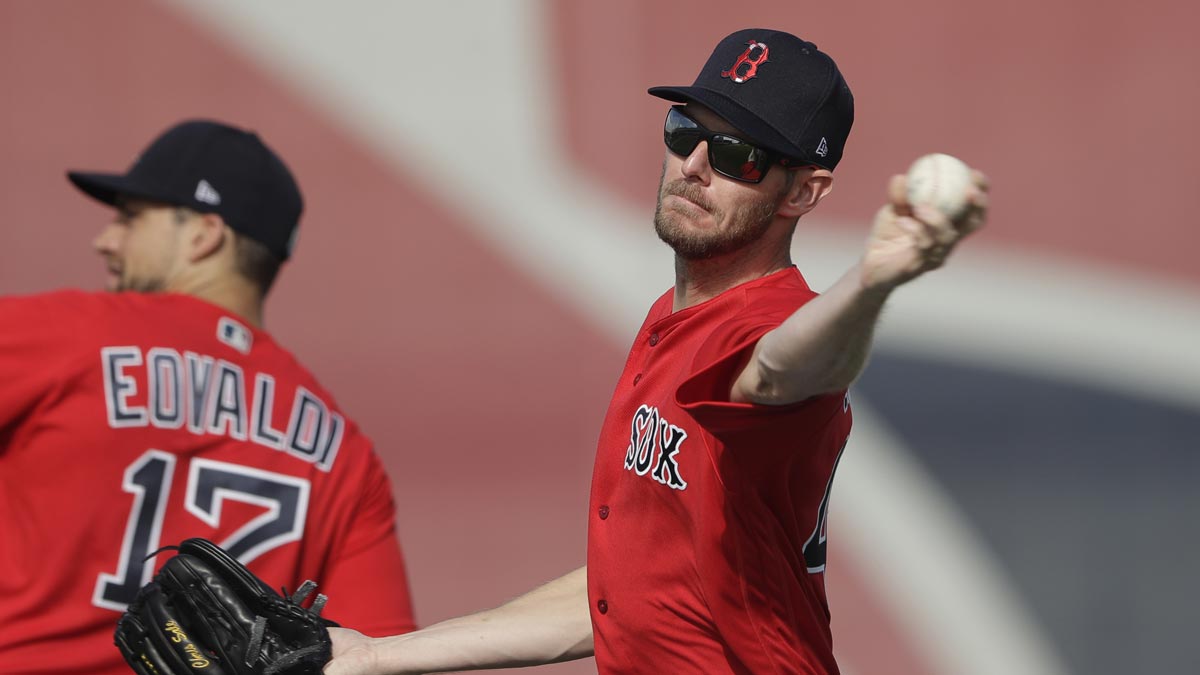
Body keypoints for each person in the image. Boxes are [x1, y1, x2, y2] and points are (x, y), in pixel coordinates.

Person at [323, 28, 988, 675]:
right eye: (684, 131)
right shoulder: (670, 319)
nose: (694, 166)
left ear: (802, 191)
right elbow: (626, 593)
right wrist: (379, 654)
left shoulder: (771, 322)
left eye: (737, 154)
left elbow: (788, 368)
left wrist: (872, 282)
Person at [0, 120, 417, 673]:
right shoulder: (345, 455)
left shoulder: (57, 336)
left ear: (203, 235)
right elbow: (384, 658)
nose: (107, 240)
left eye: (130, 218)